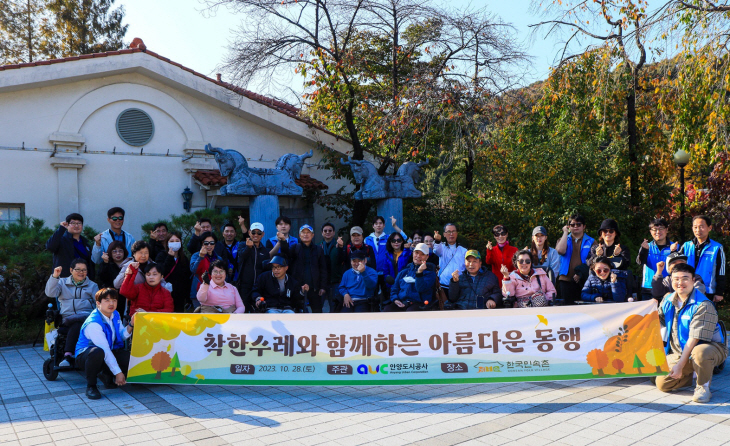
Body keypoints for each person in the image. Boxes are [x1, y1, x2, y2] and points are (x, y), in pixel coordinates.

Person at [655, 263, 726, 403]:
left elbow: (694, 339)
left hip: (709, 348)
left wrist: (680, 365)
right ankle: (692, 372)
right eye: (676, 279)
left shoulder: (703, 305)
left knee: (700, 353)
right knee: (662, 384)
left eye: (685, 278)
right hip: (680, 351)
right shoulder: (667, 299)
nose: (680, 283)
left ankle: (703, 386)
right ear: (671, 281)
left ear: (694, 280)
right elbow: (656, 323)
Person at [75, 288, 133, 400]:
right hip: (86, 357)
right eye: (107, 300)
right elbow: (104, 349)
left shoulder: (115, 314)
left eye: (114, 300)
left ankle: (106, 374)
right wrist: (118, 373)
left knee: (128, 357)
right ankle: (91, 386)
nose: (111, 303)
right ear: (98, 303)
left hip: (106, 352)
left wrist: (131, 324)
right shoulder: (94, 322)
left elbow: (121, 336)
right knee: (97, 352)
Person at [44, 259, 99, 367]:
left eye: (84, 270)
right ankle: (69, 355)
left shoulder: (92, 286)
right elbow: (50, 293)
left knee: (78, 323)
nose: (81, 272)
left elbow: (98, 304)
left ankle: (68, 355)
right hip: (67, 317)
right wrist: (55, 277)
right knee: (75, 323)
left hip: (86, 318)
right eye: (78, 269)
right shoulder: (62, 283)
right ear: (71, 270)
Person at [677, 215, 726, 302]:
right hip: (686, 288)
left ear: (709, 228)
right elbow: (677, 267)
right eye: (695, 227)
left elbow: (721, 271)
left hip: (708, 291)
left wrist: (719, 292)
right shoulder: (686, 246)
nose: (698, 230)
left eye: (701, 227)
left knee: (707, 314)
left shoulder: (717, 247)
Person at [286, 225, 328, 313]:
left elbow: (323, 269)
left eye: (308, 232)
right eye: (303, 232)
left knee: (317, 314)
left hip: (314, 288)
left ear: (312, 235)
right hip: (298, 288)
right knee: (298, 313)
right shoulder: (294, 248)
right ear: (299, 235)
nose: (306, 234)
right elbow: (287, 266)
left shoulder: (318, 249)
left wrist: (322, 287)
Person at [383, 243, 437, 312]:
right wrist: (395, 299)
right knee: (387, 310)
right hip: (401, 302)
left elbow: (421, 288)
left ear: (427, 257)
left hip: (419, 304)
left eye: (422, 254)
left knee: (410, 313)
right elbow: (394, 288)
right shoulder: (404, 271)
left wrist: (419, 272)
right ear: (413, 253)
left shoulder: (430, 273)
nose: (418, 256)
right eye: (416, 253)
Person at [366, 216, 409, 299]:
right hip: (372, 272)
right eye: (376, 223)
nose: (378, 225)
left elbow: (404, 238)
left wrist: (395, 226)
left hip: (385, 273)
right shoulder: (367, 239)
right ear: (373, 226)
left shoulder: (388, 238)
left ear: (384, 225)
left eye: (380, 223)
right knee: (373, 296)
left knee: (387, 295)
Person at [556, 214, 595, 305]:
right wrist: (565, 233)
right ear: (569, 226)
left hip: (584, 280)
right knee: (566, 309)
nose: (575, 226)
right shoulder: (563, 239)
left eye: (578, 224)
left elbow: (593, 261)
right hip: (565, 280)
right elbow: (560, 250)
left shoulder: (591, 241)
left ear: (584, 226)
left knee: (584, 308)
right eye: (572, 225)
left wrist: (581, 273)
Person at [45, 213, 95, 280]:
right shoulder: (61, 240)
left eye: (79, 223)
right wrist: (61, 229)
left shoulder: (86, 243)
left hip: (84, 281)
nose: (76, 225)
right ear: (67, 225)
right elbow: (50, 247)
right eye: (73, 223)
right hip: (65, 281)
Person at [636, 218, 674, 301]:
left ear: (666, 230)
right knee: (648, 314)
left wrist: (674, 252)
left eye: (661, 229)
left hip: (668, 287)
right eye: (655, 229)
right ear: (650, 231)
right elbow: (640, 262)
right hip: (649, 287)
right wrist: (644, 250)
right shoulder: (646, 246)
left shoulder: (674, 247)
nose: (658, 232)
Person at [235, 222, 270, 309]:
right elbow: (241, 257)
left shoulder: (265, 251)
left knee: (259, 310)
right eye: (253, 232)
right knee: (243, 309)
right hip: (244, 286)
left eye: (259, 233)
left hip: (259, 287)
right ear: (249, 232)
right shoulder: (242, 245)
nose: (256, 235)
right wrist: (248, 247)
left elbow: (266, 269)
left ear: (263, 234)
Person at [155, 232, 191, 313]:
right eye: (171, 241)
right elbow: (161, 271)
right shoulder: (161, 255)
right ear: (167, 243)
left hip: (179, 296)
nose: (174, 243)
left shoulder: (184, 258)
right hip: (164, 293)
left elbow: (187, 278)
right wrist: (170, 257)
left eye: (177, 241)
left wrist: (187, 298)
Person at [190, 232, 222, 309]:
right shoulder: (196, 255)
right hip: (198, 291)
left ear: (215, 244)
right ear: (202, 243)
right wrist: (201, 257)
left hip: (215, 293)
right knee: (200, 318)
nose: (209, 245)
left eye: (212, 243)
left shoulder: (219, 259)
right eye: (206, 243)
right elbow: (194, 270)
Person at [432, 223, 467, 291]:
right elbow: (436, 251)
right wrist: (437, 241)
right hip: (443, 286)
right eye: (448, 232)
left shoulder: (464, 250)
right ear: (444, 234)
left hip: (459, 286)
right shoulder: (441, 247)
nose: (451, 234)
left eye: (453, 231)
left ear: (457, 233)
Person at [320, 223, 342, 312]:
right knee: (318, 307)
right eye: (325, 231)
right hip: (321, 282)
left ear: (333, 233)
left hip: (335, 281)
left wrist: (340, 248)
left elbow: (342, 260)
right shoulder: (318, 246)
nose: (327, 232)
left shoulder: (339, 246)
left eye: (330, 230)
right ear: (322, 233)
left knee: (335, 308)